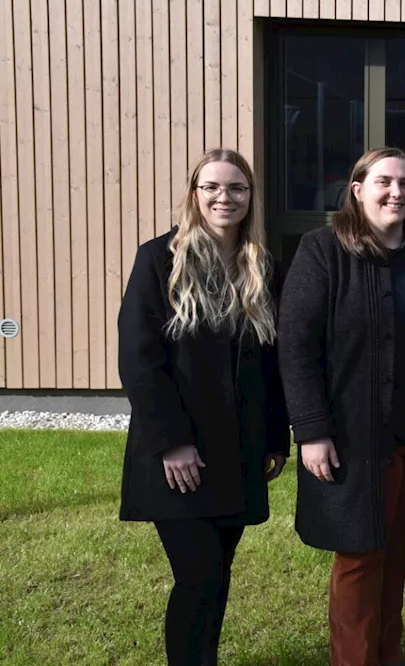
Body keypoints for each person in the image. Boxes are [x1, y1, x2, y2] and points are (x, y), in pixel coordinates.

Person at [278, 146, 405, 666]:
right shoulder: (323, 250)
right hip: (354, 437)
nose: (396, 192)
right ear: (358, 190)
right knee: (361, 556)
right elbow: (296, 345)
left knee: (395, 552)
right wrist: (311, 430)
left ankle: (389, 654)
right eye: (384, 182)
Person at [118, 148, 288, 665]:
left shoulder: (260, 264)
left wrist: (275, 439)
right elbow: (139, 359)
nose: (224, 197)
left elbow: (272, 363)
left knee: (218, 579)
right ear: (194, 195)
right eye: (211, 187)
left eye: (236, 188)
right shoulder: (159, 259)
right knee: (199, 576)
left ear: (250, 197)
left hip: (237, 452)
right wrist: (172, 443)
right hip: (178, 457)